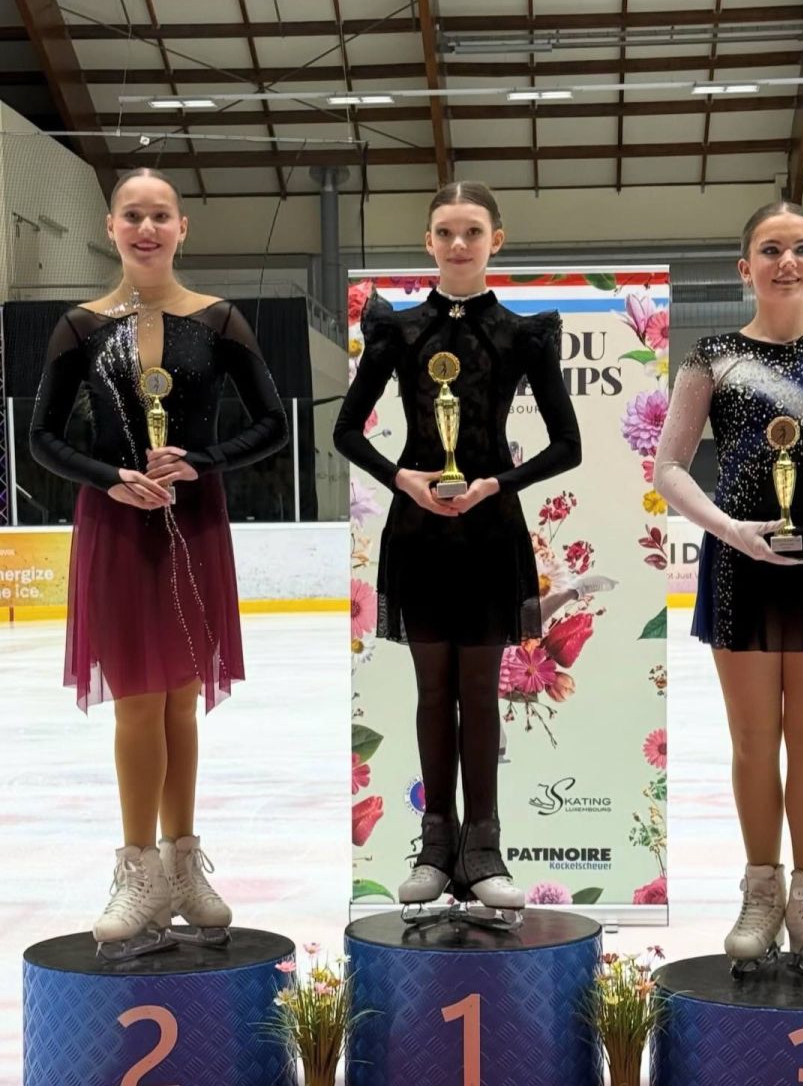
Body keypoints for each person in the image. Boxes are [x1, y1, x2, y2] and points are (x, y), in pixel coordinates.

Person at [30, 167, 288, 959]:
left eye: (160, 216)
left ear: (182, 228)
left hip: (193, 524)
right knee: (137, 703)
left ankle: (182, 866)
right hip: (115, 528)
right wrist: (109, 479)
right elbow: (44, 439)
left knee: (181, 701)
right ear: (109, 228)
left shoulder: (218, 321)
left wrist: (201, 462)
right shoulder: (80, 327)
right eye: (132, 216)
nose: (147, 229)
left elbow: (272, 425)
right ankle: (137, 869)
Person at [334, 181, 581, 916]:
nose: (458, 244)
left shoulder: (522, 334)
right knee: (431, 692)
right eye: (445, 232)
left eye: (472, 231)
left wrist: (495, 484)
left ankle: (484, 850)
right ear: (428, 242)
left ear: (495, 240)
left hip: (489, 533)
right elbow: (345, 431)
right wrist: (401, 478)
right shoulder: (398, 331)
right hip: (417, 535)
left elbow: (566, 446)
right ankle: (435, 847)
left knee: (479, 692)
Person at [655, 201, 803, 987]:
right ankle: (761, 892)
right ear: (743, 267)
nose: (785, 261)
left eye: (800, 248)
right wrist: (729, 530)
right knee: (753, 739)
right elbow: (669, 467)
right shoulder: (710, 357)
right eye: (769, 249)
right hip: (737, 563)